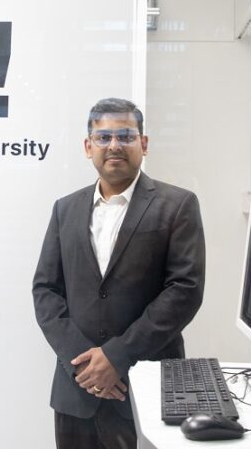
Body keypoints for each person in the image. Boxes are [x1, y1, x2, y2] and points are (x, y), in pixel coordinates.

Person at [32, 97, 206, 448]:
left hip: (144, 387)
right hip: (76, 391)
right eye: (104, 137)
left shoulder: (178, 205)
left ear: (144, 143)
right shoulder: (65, 209)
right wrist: (83, 364)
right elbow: (46, 290)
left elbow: (184, 291)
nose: (114, 145)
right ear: (88, 146)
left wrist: (116, 356)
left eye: (126, 136)